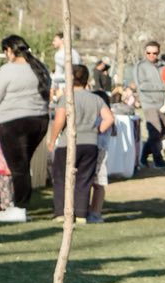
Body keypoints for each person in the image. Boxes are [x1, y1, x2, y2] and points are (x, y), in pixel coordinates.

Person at [0, 36, 51, 221]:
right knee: (23, 165)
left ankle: (19, 208)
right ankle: (18, 205)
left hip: (12, 121)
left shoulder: (8, 70)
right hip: (39, 121)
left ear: (9, 50)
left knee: (18, 167)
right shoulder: (40, 67)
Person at [45, 64, 114, 224]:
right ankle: (81, 213)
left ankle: (62, 212)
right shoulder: (96, 99)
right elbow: (109, 118)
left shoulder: (66, 98)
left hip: (68, 142)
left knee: (62, 177)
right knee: (85, 178)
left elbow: (60, 120)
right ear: (86, 79)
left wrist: (52, 139)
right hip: (90, 143)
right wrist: (97, 130)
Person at [128, 41, 165, 170]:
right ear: (145, 52)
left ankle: (143, 156)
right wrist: (163, 87)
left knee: (162, 133)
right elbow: (142, 86)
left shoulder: (164, 66)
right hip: (149, 103)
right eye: (149, 53)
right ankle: (158, 161)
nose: (152, 55)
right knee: (155, 130)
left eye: (155, 53)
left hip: (164, 103)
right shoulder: (140, 66)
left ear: (159, 52)